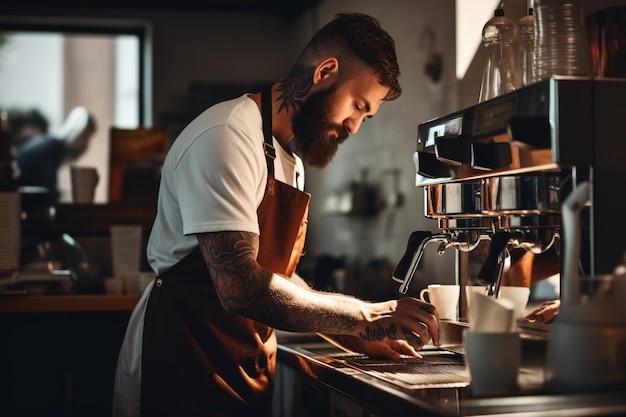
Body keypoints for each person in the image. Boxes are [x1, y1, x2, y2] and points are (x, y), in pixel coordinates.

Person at [113, 13, 440, 417]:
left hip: (245, 369)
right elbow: (241, 287)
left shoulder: (288, 160)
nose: (355, 127)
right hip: (180, 360)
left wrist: (359, 336)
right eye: (357, 105)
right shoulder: (227, 136)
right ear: (324, 72)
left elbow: (277, 279)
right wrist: (364, 315)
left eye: (366, 116)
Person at [10, 106, 96, 194]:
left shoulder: (53, 145)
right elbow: (50, 188)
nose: (85, 144)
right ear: (75, 132)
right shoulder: (54, 147)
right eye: (85, 136)